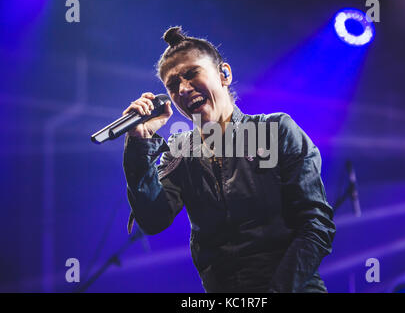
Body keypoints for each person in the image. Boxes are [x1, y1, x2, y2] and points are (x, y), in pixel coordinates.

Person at [122, 26, 336, 293]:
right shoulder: (180, 151)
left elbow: (316, 225)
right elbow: (154, 220)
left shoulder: (275, 130)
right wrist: (139, 145)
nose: (184, 89)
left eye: (191, 74)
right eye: (173, 85)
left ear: (224, 74)